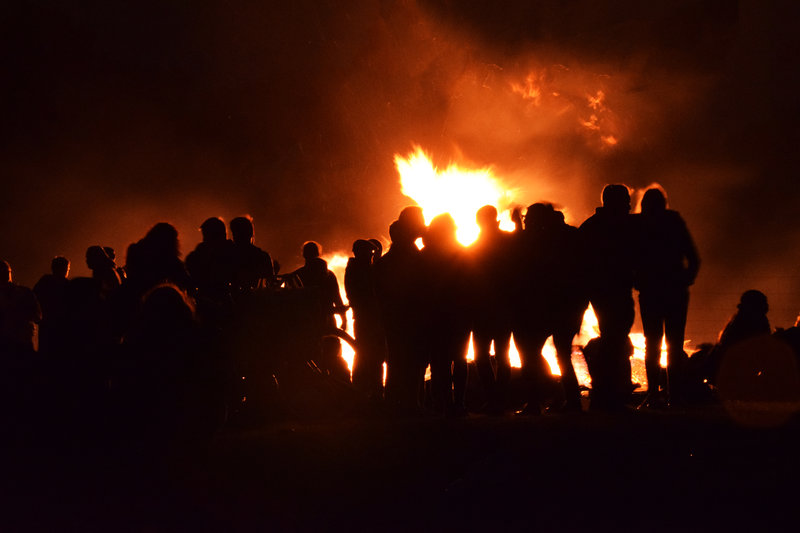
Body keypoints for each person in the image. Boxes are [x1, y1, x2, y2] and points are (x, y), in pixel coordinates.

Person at [635, 187, 700, 407]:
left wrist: (638, 281)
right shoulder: (674, 223)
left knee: (653, 344)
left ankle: (654, 394)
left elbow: (631, 258)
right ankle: (675, 395)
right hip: (674, 292)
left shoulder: (641, 226)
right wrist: (685, 279)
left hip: (652, 292)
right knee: (674, 343)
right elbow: (694, 258)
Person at [579, 185, 636, 411]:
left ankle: (608, 393)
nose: (629, 204)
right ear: (614, 202)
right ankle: (610, 395)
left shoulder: (591, 227)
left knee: (614, 339)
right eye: (625, 200)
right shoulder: (617, 227)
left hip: (605, 291)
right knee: (615, 340)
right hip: (611, 291)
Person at [373, 216, 426, 413]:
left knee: (396, 360)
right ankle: (412, 402)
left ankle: (395, 401)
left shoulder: (383, 263)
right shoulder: (415, 259)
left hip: (393, 318)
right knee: (413, 360)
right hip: (411, 317)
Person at [420, 214, 471, 416]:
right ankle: (458, 403)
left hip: (435, 314)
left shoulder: (425, 255)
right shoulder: (463, 252)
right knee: (459, 359)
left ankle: (442, 402)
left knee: (439, 361)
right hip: (459, 313)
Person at [469, 205, 515, 413]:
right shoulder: (508, 242)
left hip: (483, 310)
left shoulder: (474, 247)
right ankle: (499, 398)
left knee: (482, 356)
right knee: (502, 356)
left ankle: (493, 398)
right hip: (501, 308)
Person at [290, 241, 349, 380]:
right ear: (318, 253)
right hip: (328, 321)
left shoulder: (297, 276)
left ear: (304, 255)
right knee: (332, 355)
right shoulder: (328, 275)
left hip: (307, 323)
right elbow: (337, 298)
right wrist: (344, 319)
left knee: (310, 356)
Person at [345, 239, 386, 399]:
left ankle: (363, 388)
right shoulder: (362, 271)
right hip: (368, 318)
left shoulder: (356, 269)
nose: (371, 255)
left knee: (365, 354)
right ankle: (372, 389)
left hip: (364, 318)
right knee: (372, 355)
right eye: (370, 252)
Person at [186, 217, 236, 326]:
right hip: (205, 301)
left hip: (225, 301)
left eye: (206, 235)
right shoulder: (201, 251)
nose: (204, 239)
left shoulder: (231, 252)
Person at [0, 260, 41, 354]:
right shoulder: (25, 292)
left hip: (16, 343)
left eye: (5, 271)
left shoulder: (25, 292)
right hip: (19, 342)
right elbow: (37, 316)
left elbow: (37, 316)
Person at [33, 256, 71, 354]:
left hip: (46, 323)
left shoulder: (44, 281)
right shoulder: (68, 285)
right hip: (62, 326)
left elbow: (34, 298)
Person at [229, 216, 275, 297]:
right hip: (258, 300)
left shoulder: (228, 255)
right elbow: (270, 284)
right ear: (251, 233)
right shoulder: (262, 256)